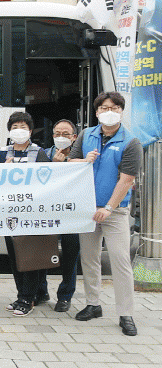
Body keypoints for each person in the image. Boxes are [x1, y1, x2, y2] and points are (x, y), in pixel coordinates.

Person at [69, 91, 142, 336]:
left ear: (121, 111)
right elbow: (70, 162)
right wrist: (84, 161)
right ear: (96, 111)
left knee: (120, 262)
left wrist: (108, 208)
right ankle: (93, 304)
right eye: (104, 108)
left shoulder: (131, 142)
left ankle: (126, 313)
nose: (108, 112)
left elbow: (126, 179)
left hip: (115, 211)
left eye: (114, 108)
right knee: (89, 259)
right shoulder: (85, 135)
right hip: (87, 209)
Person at [0, 111, 50, 317]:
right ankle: (21, 295)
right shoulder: (2, 153)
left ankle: (29, 298)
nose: (19, 131)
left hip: (31, 212)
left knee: (30, 256)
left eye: (23, 127)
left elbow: (47, 181)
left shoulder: (39, 152)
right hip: (9, 212)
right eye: (15, 127)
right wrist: (2, 170)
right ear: (9, 131)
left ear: (30, 131)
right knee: (15, 256)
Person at [39, 119, 81, 312]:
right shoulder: (44, 154)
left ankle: (65, 296)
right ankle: (41, 291)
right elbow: (40, 183)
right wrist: (53, 165)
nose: (61, 137)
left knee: (71, 254)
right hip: (48, 212)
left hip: (71, 213)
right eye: (57, 133)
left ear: (74, 137)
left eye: (66, 134)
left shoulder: (80, 157)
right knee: (43, 252)